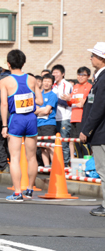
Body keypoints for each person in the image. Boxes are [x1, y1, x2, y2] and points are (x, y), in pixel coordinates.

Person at [0, 50, 43, 202]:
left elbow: (4, 104)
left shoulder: (5, 81)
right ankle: (30, 189)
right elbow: (40, 101)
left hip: (16, 119)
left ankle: (17, 192)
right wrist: (27, 98)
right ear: (23, 63)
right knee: (31, 157)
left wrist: (4, 125)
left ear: (8, 64)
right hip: (31, 118)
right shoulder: (32, 79)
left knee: (15, 157)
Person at [80, 42, 105, 217]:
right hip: (100, 131)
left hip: (101, 132)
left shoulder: (103, 79)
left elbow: (98, 108)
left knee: (103, 170)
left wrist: (86, 130)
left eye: (94, 55)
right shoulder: (100, 77)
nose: (91, 58)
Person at [62, 67, 92, 158]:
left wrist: (71, 99)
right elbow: (72, 103)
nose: (80, 77)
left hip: (82, 118)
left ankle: (87, 164)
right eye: (79, 75)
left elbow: (83, 103)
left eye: (83, 75)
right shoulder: (75, 87)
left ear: (88, 76)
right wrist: (68, 100)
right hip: (73, 118)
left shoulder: (89, 87)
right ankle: (79, 164)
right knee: (75, 143)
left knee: (83, 142)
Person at [35, 74, 58, 167]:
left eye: (49, 81)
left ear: (52, 83)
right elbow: (34, 111)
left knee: (50, 146)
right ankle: (46, 166)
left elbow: (46, 111)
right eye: (45, 81)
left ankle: (54, 166)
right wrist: (42, 110)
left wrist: (41, 110)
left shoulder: (53, 95)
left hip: (49, 123)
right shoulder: (39, 95)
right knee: (42, 147)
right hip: (38, 124)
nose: (46, 83)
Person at [51, 64, 73, 165]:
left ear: (63, 74)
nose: (54, 74)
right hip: (54, 118)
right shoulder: (53, 85)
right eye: (53, 72)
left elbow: (66, 102)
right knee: (56, 142)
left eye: (57, 72)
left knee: (63, 143)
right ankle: (57, 163)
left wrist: (53, 98)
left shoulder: (66, 85)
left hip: (64, 117)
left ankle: (65, 163)